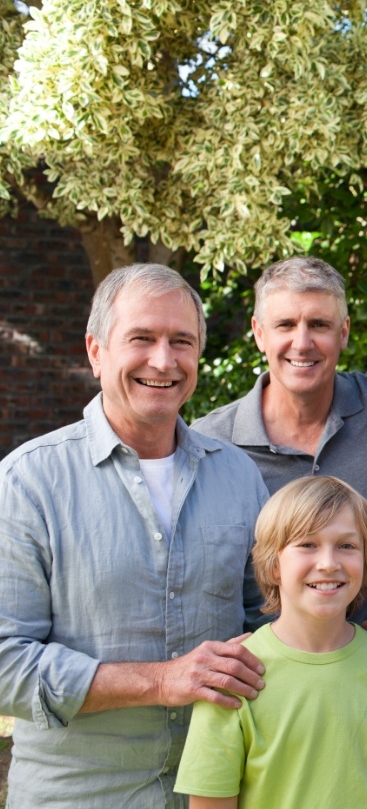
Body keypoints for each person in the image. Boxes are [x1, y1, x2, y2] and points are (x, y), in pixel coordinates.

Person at [0, 264, 271, 808]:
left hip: (216, 793)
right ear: (96, 351)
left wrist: (363, 645)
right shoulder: (27, 481)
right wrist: (161, 681)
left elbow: (271, 624)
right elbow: (6, 664)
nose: (164, 361)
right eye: (141, 338)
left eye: (182, 342)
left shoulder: (240, 478)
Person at [174, 476, 367, 809]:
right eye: (307, 544)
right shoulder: (233, 676)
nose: (329, 563)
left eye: (347, 545)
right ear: (274, 565)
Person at [192, 256, 367, 629]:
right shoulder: (210, 445)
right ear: (259, 333)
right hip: (258, 677)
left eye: (319, 324)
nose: (302, 342)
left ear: (343, 332)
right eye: (285, 325)